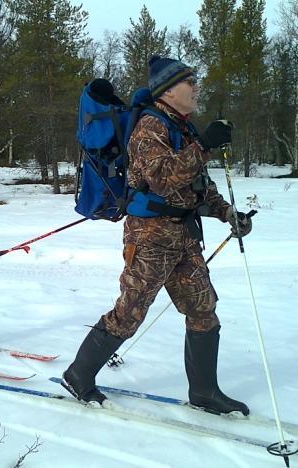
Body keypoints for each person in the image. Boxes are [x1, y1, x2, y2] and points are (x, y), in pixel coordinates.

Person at [62, 55, 252, 415]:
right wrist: (205, 147)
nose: (196, 88)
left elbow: (198, 185)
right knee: (130, 312)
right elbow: (162, 178)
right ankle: (78, 375)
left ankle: (205, 392)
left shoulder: (184, 129)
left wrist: (228, 213)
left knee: (203, 308)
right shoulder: (150, 127)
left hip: (183, 234)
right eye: (189, 83)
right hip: (150, 236)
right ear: (168, 91)